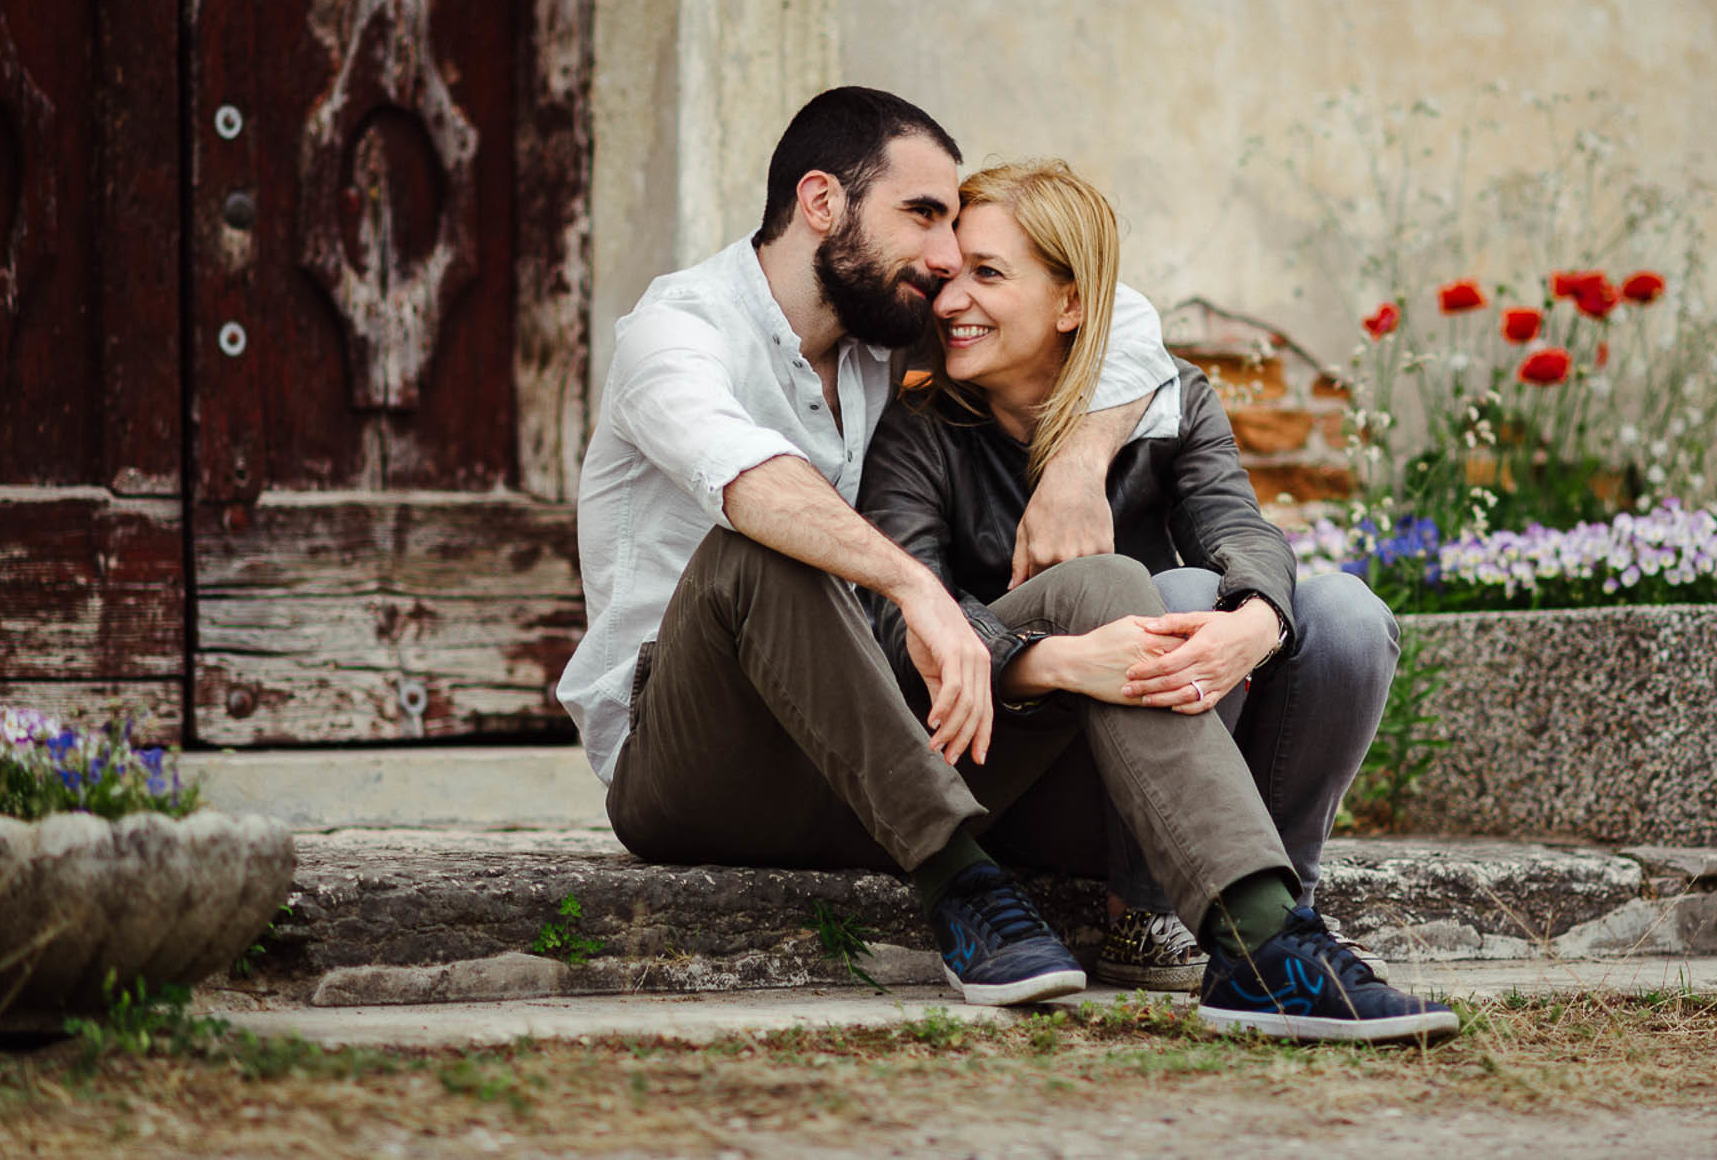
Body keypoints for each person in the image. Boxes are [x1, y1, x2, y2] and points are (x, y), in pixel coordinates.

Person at [558, 87, 1431, 1038]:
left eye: (961, 240)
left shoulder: (876, 343)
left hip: (863, 758)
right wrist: (912, 584)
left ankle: (1263, 943)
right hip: (693, 761)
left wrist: (1076, 462)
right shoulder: (676, 332)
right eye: (923, 216)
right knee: (762, 545)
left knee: (1118, 586)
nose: (943, 263)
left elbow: (1117, 312)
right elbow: (752, 482)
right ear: (822, 202)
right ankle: (965, 886)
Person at [858, 158, 1451, 1040]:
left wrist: (1254, 624)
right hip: (1026, 757)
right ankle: (1146, 914)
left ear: (1071, 304)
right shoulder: (920, 427)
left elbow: (1243, 531)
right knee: (1166, 589)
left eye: (987, 275)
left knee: (1346, 616)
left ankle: (1283, 925)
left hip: (1181, 759)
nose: (950, 302)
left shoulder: (1171, 403)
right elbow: (895, 618)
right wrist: (1046, 658)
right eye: (950, 276)